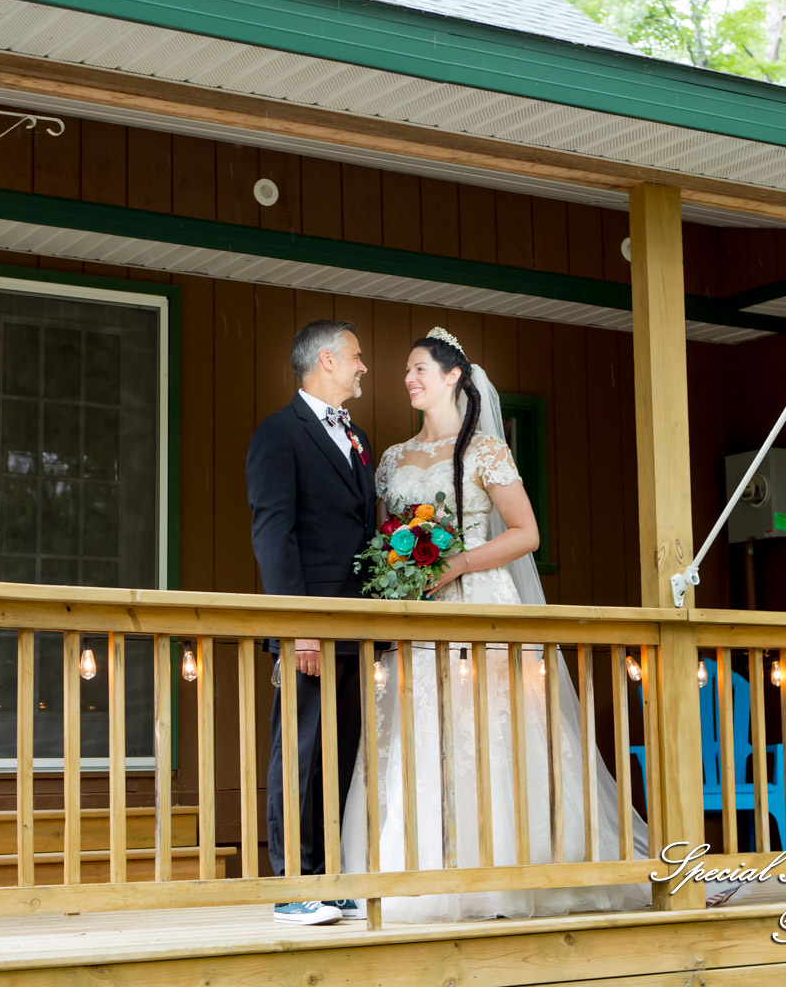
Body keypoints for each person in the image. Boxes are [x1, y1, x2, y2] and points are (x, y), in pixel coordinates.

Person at [340, 326, 654, 922]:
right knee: (419, 730)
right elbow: (385, 536)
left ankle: (514, 861)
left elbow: (525, 533)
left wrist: (454, 561)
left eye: (419, 369)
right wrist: (399, 568)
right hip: (420, 613)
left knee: (491, 730)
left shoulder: (485, 451)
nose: (408, 379)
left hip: (480, 601)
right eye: (405, 371)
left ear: (453, 376)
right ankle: (424, 863)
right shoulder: (391, 459)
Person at [246, 319, 376, 926]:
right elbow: (275, 534)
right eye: (355, 356)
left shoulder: (357, 436)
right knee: (297, 750)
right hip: (310, 623)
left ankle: (328, 876)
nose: (363, 367)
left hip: (354, 622)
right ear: (326, 359)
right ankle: (292, 885)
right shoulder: (279, 434)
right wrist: (297, 625)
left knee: (341, 752)